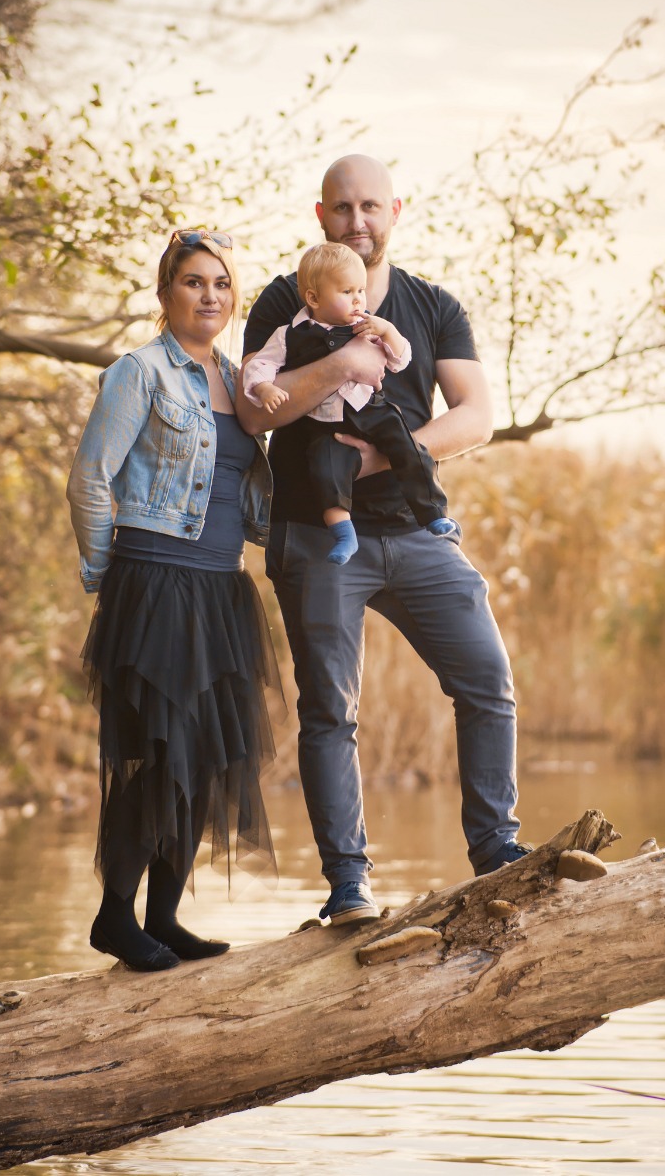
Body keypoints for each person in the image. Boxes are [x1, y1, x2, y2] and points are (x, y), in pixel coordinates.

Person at [237, 154, 526, 927]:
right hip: (315, 534)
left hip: (415, 533)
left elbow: (477, 414)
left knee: (488, 686)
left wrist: (395, 454)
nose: (356, 221)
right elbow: (256, 412)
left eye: (370, 206)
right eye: (341, 208)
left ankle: (498, 851)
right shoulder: (286, 298)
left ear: (396, 209)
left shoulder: (431, 306)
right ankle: (349, 887)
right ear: (321, 214)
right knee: (331, 712)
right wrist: (340, 362)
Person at [66, 228, 276, 972]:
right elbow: (91, 477)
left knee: (208, 760)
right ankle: (115, 918)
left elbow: (251, 493)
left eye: (221, 283)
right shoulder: (140, 371)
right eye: (193, 282)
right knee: (156, 756)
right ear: (165, 294)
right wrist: (106, 579)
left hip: (220, 589)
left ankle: (164, 917)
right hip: (155, 582)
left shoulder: (243, 382)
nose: (209, 295)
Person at [245, 241, 459, 566]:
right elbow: (259, 367)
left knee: (409, 448)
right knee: (325, 469)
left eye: (361, 289)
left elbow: (400, 361)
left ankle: (432, 512)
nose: (359, 298)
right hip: (326, 424)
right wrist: (263, 389)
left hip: (372, 412)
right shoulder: (288, 334)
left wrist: (389, 333)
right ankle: (344, 533)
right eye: (347, 291)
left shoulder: (367, 326)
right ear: (314, 298)